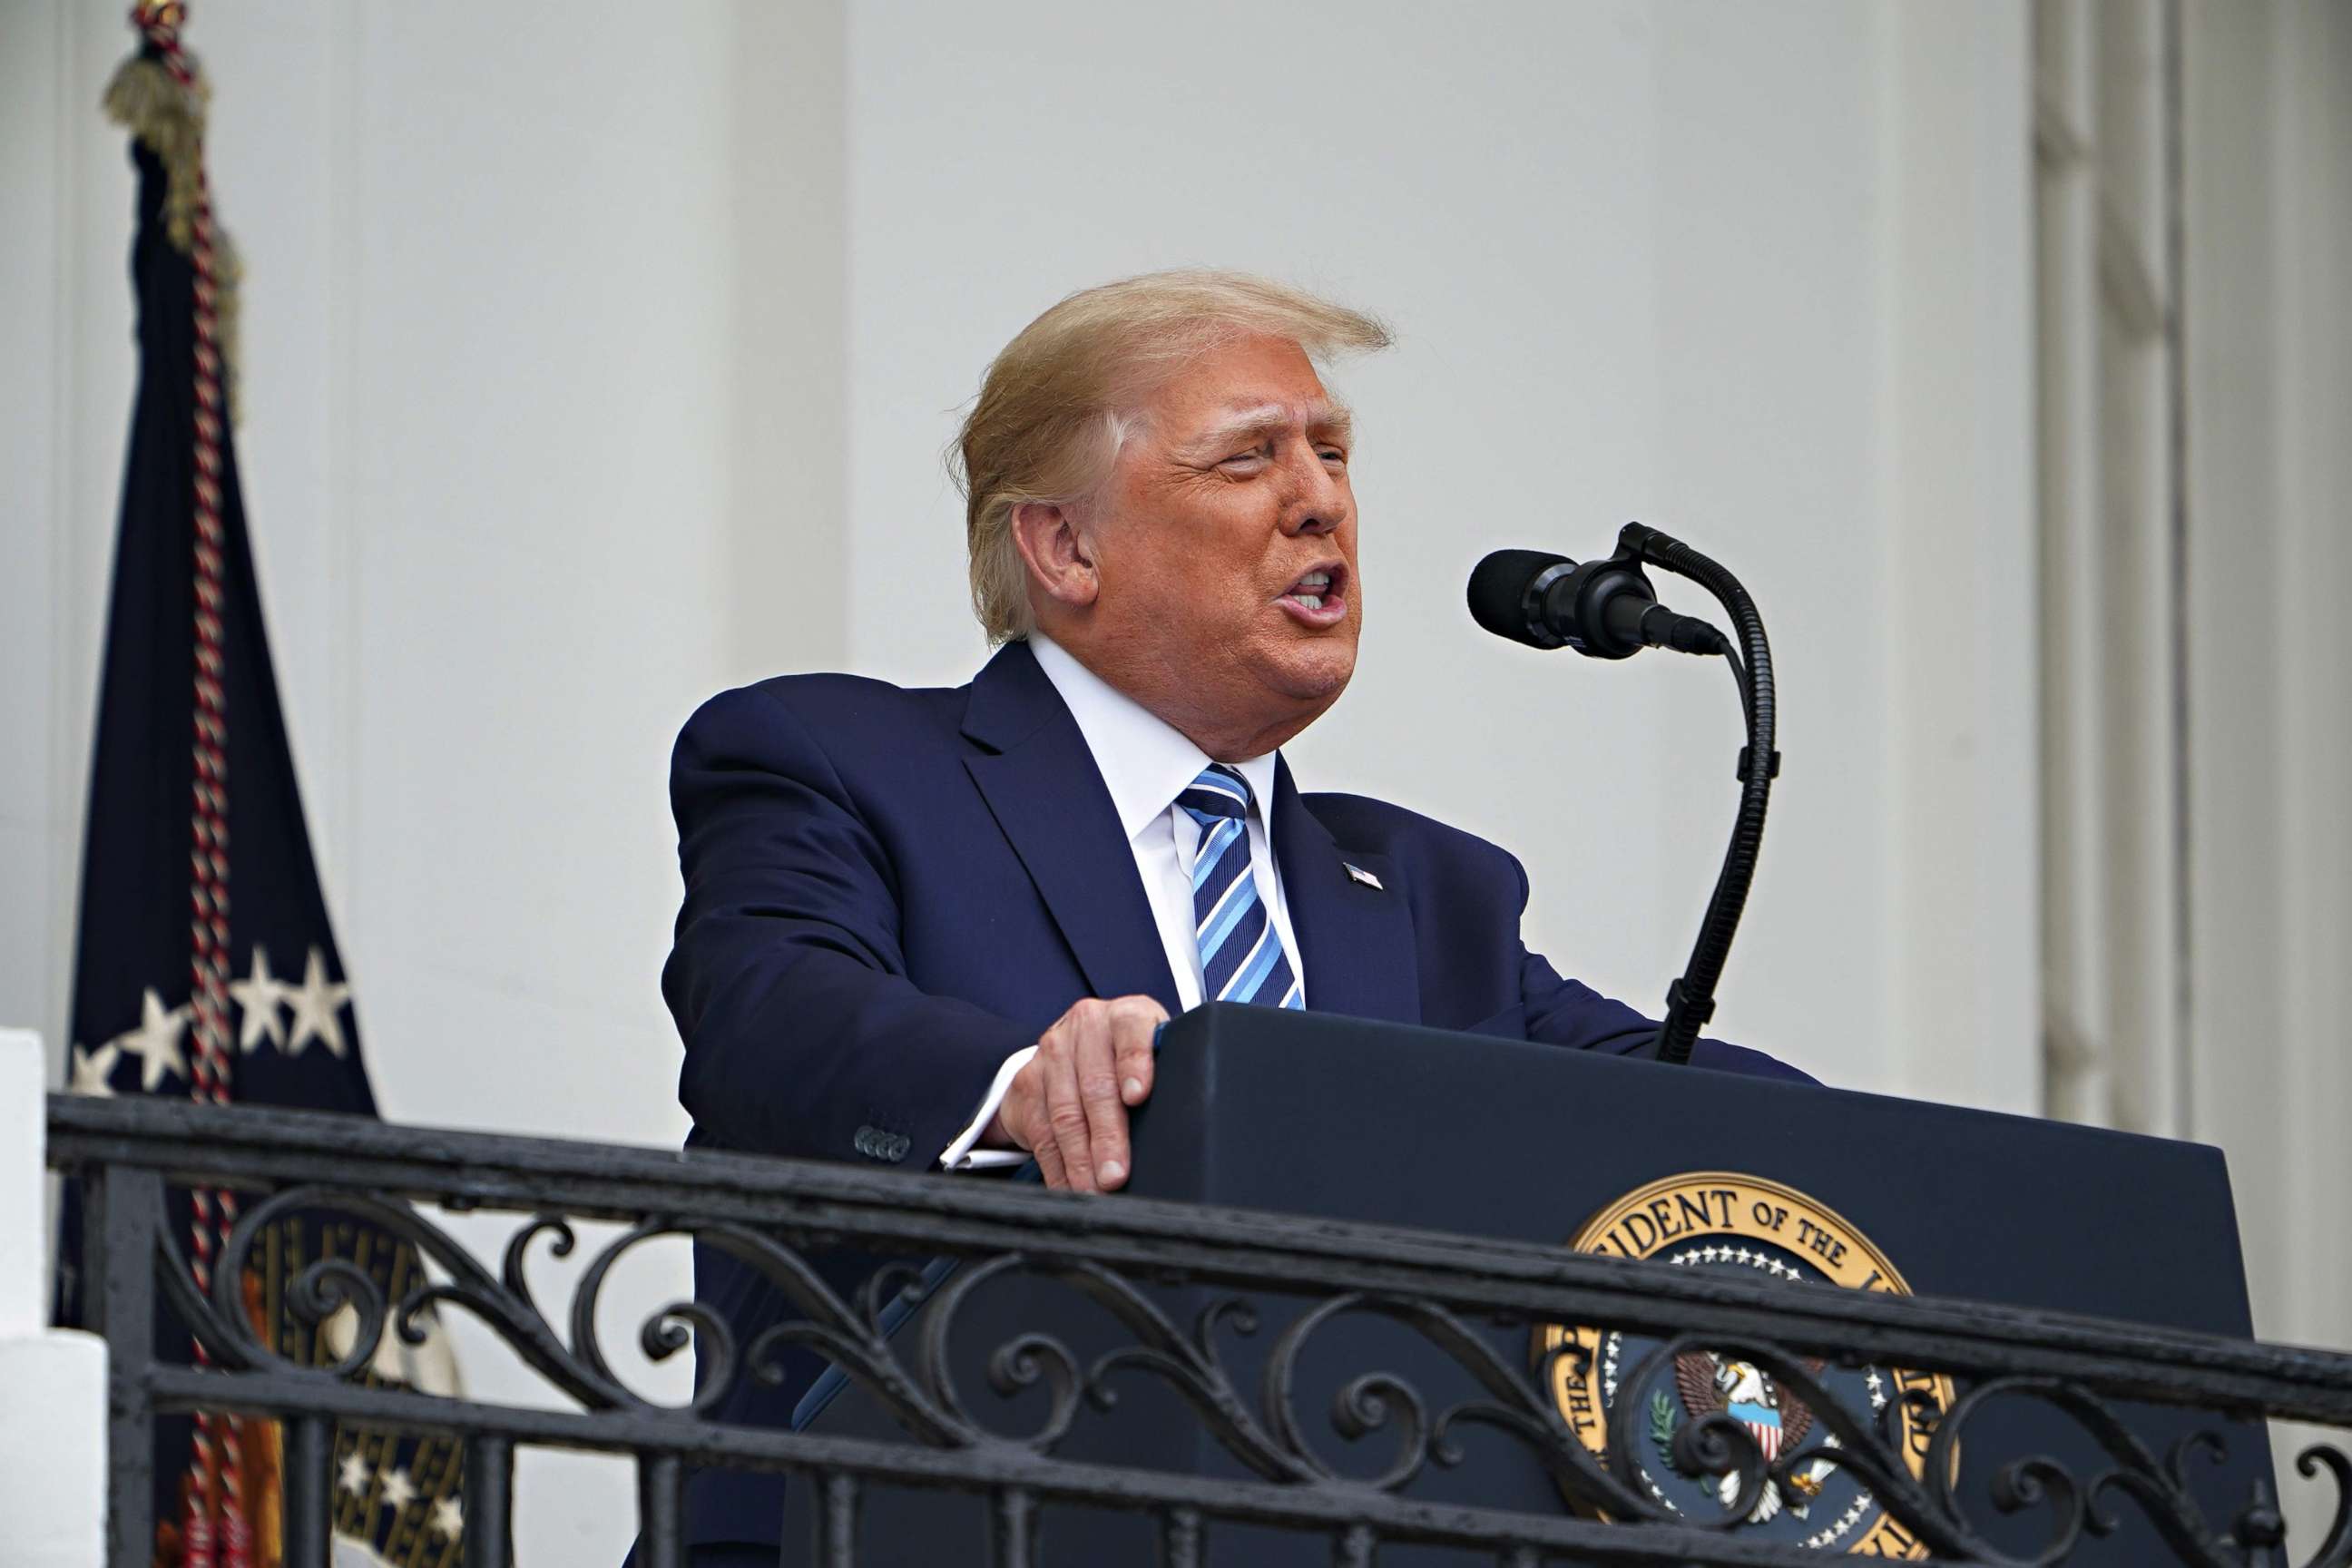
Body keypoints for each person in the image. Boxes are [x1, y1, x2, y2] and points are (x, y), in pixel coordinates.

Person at [655, 270, 1806, 1558]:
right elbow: (770, 1014)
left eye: (1331, 452)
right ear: (1064, 546)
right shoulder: (837, 757)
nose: (1321, 499)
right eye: (1246, 460)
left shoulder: (1436, 898)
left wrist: (1926, 1187)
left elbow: (1678, 1101)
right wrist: (1023, 1085)